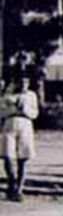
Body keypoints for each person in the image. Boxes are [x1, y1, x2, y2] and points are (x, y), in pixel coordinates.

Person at [1, 71, 39, 202]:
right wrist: (13, 108)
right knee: (7, 157)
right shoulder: (8, 95)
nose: (23, 84)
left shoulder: (31, 96)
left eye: (26, 82)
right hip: (10, 124)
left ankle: (19, 190)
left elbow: (35, 113)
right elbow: (1, 111)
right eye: (21, 82)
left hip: (25, 125)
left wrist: (24, 110)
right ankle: (11, 182)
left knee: (23, 158)